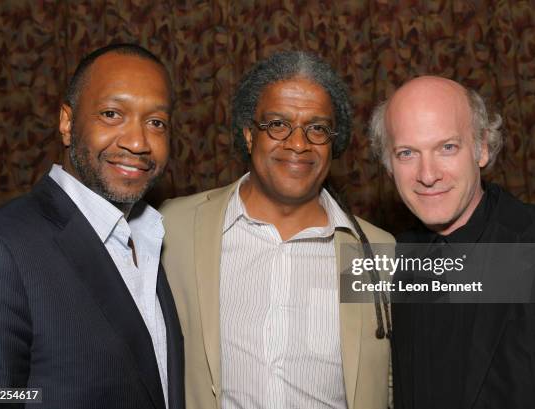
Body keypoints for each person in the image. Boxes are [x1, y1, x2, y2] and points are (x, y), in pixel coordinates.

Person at [161, 51, 394, 409]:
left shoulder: (375, 252)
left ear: (334, 143)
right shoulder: (176, 228)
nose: (298, 144)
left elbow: (395, 381)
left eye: (317, 128)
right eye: (277, 124)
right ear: (249, 135)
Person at [0, 44, 184, 409]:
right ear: (67, 123)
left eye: (156, 123)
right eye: (111, 114)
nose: (138, 142)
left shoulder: (150, 236)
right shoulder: (0, 247)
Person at [369, 76, 535, 409]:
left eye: (447, 147)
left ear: (482, 148)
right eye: (407, 153)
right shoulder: (392, 262)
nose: (427, 175)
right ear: (388, 165)